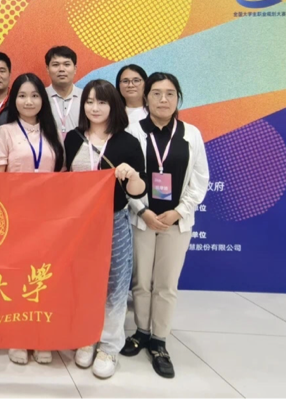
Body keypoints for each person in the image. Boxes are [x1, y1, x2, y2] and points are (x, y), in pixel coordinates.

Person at [122, 73, 209, 379]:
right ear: (146, 98)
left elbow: (200, 180)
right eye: (156, 93)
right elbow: (125, 177)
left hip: (176, 222)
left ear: (178, 98)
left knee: (167, 284)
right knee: (141, 282)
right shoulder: (132, 131)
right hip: (142, 219)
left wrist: (179, 212)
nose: (163, 99)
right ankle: (141, 332)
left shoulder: (191, 134)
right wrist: (142, 210)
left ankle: (159, 341)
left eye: (170, 94)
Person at [63, 80, 147, 379]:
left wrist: (132, 176)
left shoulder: (127, 142)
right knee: (83, 282)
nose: (95, 108)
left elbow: (138, 191)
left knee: (115, 284)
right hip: (80, 225)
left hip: (113, 222)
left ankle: (109, 346)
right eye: (89, 101)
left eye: (102, 102)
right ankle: (86, 337)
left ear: (114, 106)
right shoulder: (72, 138)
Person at [0, 72, 64, 367]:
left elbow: (62, 178)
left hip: (48, 219)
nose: (28, 101)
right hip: (14, 217)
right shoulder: (4, 132)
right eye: (22, 96)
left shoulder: (54, 134)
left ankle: (41, 337)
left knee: (44, 276)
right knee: (16, 277)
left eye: (34, 96)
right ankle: (17, 336)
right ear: (14, 99)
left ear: (42, 100)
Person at [45, 46, 82, 141]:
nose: (61, 69)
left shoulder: (86, 98)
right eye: (55, 65)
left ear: (75, 69)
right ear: (47, 69)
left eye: (66, 64)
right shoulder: (40, 97)